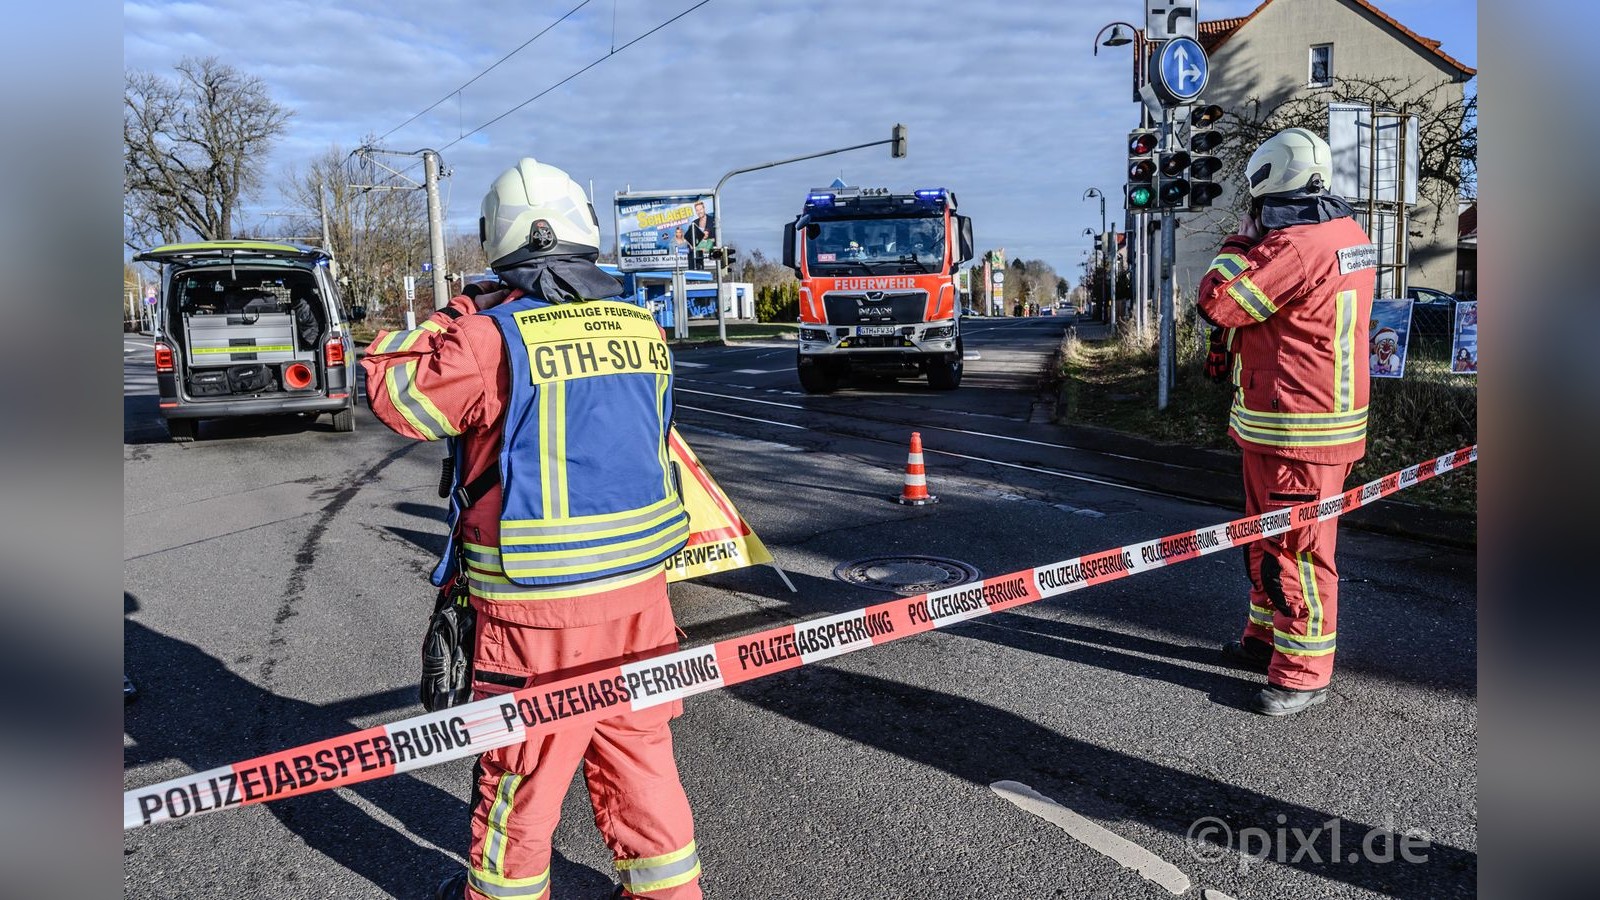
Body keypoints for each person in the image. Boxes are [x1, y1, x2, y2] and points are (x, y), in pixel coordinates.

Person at [361, 157, 703, 900]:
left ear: (501, 243)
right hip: (642, 598)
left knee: (520, 778)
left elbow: (395, 395)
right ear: (584, 230)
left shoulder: (489, 339)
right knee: (641, 759)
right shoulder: (641, 325)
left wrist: (456, 313)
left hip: (538, 610)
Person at [1197, 127, 1376, 717]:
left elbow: (1220, 301)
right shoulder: (1346, 233)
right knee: (1265, 541)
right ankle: (1266, 640)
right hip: (1292, 423)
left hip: (1296, 428)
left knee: (1294, 552)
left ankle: (1302, 671)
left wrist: (1234, 242)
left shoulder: (1294, 246)